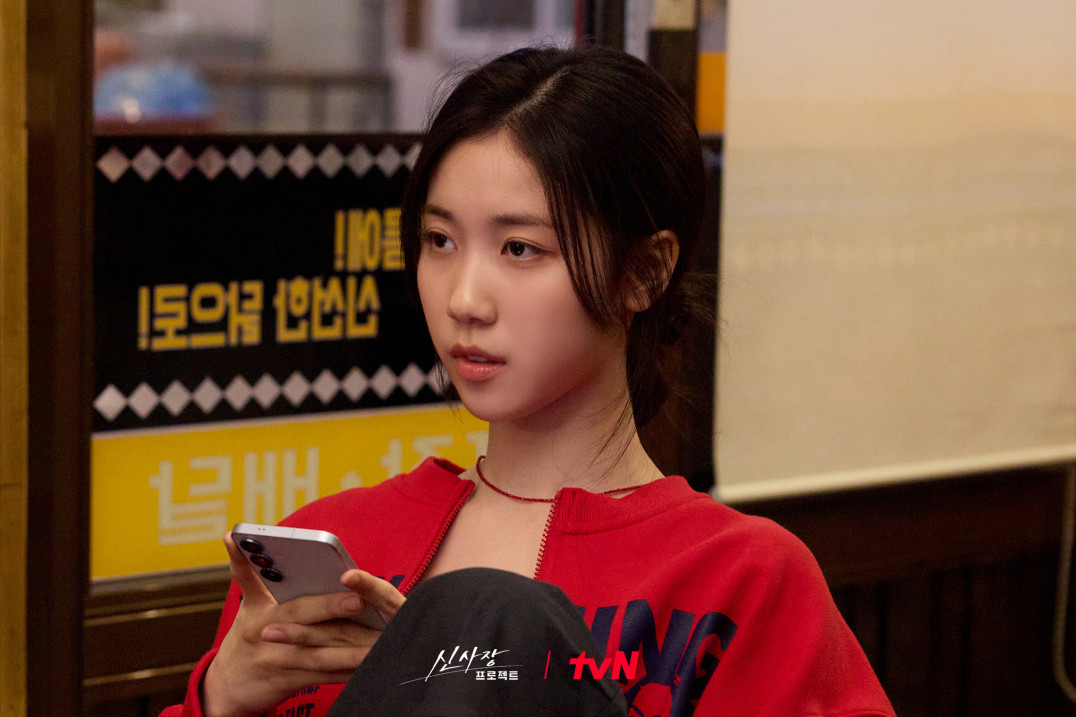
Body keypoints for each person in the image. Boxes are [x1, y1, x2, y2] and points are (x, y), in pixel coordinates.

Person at [161, 44, 895, 717]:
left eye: (520, 248)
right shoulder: (340, 545)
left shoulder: (741, 578)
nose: (464, 299)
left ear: (645, 272)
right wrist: (221, 698)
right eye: (440, 240)